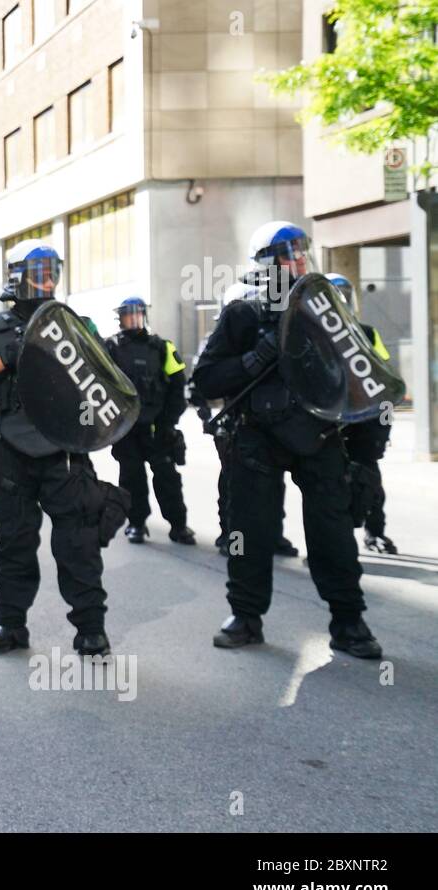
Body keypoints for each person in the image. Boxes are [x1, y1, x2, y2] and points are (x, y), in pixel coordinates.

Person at [192, 221, 381, 658]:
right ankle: (246, 617)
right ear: (266, 262)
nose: (299, 259)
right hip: (256, 439)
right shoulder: (244, 312)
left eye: (302, 250)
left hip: (319, 435)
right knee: (249, 533)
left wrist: (365, 457)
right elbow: (205, 378)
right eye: (289, 252)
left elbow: (364, 383)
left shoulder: (327, 311)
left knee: (332, 532)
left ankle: (349, 621)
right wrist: (254, 358)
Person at [0, 240, 112, 657]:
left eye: (53, 269)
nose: (48, 279)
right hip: (10, 453)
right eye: (39, 271)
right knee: (14, 544)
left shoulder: (74, 324)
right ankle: (11, 625)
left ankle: (91, 629)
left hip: (66, 452)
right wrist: (3, 361)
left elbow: (108, 385)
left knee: (79, 545)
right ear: (17, 276)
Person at [190, 284, 299, 559]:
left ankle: (274, 534)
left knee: (272, 482)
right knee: (231, 481)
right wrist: (206, 416)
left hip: (262, 418)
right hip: (230, 419)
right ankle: (230, 534)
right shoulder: (216, 340)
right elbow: (199, 383)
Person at [104, 296, 194, 545]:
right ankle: (136, 524)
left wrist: (169, 422)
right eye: (128, 315)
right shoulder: (110, 349)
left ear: (144, 316)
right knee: (131, 478)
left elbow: (178, 385)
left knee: (167, 477)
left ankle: (179, 525)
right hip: (126, 429)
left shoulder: (162, 347)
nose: (133, 320)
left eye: (137, 314)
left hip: (158, 427)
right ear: (120, 319)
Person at [326, 273, 398, 555]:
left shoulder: (367, 333)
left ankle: (375, 533)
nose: (342, 302)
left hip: (362, 422)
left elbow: (386, 380)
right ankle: (333, 544)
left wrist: (382, 428)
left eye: (345, 296)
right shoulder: (311, 334)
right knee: (326, 488)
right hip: (328, 423)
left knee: (369, 481)